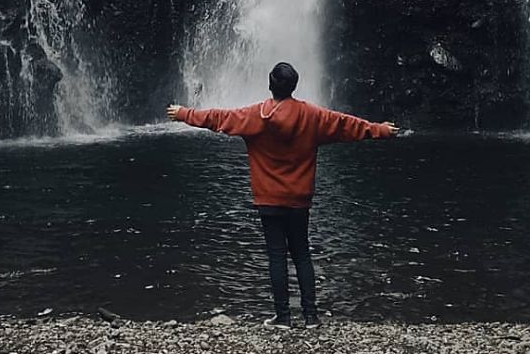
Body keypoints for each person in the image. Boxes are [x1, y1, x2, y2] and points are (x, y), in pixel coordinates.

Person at [166, 61, 398, 329]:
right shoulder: (312, 115)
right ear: (294, 86)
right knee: (302, 254)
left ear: (269, 84)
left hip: (268, 200)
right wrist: (379, 129)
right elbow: (346, 124)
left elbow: (219, 118)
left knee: (276, 256)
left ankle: (283, 317)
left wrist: (184, 113)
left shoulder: (256, 116)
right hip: (299, 200)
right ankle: (311, 317)